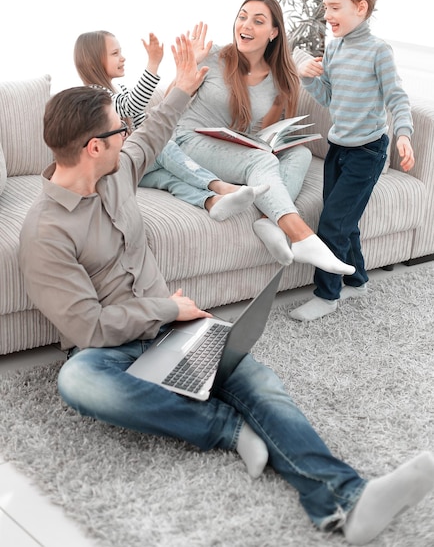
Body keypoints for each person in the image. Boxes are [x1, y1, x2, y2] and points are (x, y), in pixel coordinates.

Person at [18, 35, 434, 546]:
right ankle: (227, 429)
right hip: (114, 347)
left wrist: (182, 86)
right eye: (117, 130)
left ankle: (347, 498)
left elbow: (153, 134)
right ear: (93, 146)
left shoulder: (117, 169)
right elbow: (88, 326)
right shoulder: (44, 233)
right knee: (79, 381)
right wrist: (167, 306)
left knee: (258, 384)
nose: (127, 136)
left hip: (175, 326)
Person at [172, 0, 355, 275]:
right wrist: (188, 67)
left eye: (258, 21)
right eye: (242, 16)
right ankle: (303, 236)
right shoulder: (212, 56)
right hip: (189, 141)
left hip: (232, 150)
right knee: (261, 163)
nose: (245, 25)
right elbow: (169, 105)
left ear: (273, 33)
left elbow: (261, 133)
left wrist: (281, 109)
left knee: (300, 153)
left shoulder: (278, 77)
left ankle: (267, 220)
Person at [289, 0, 415, 321]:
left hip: (368, 152)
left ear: (360, 8)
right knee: (346, 221)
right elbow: (329, 97)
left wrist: (404, 134)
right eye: (325, 7)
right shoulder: (334, 49)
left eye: (334, 7)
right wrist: (307, 76)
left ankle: (327, 295)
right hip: (338, 148)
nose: (327, 15)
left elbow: (397, 98)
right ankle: (357, 279)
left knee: (332, 222)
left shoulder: (378, 52)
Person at [73, 30, 268, 222]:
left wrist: (183, 77)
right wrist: (153, 64)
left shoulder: (120, 90)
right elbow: (132, 105)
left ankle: (212, 202)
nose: (123, 58)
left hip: (134, 167)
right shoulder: (93, 96)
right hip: (117, 168)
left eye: (121, 52)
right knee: (164, 148)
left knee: (168, 178)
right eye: (115, 54)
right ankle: (220, 186)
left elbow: (148, 125)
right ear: (93, 61)